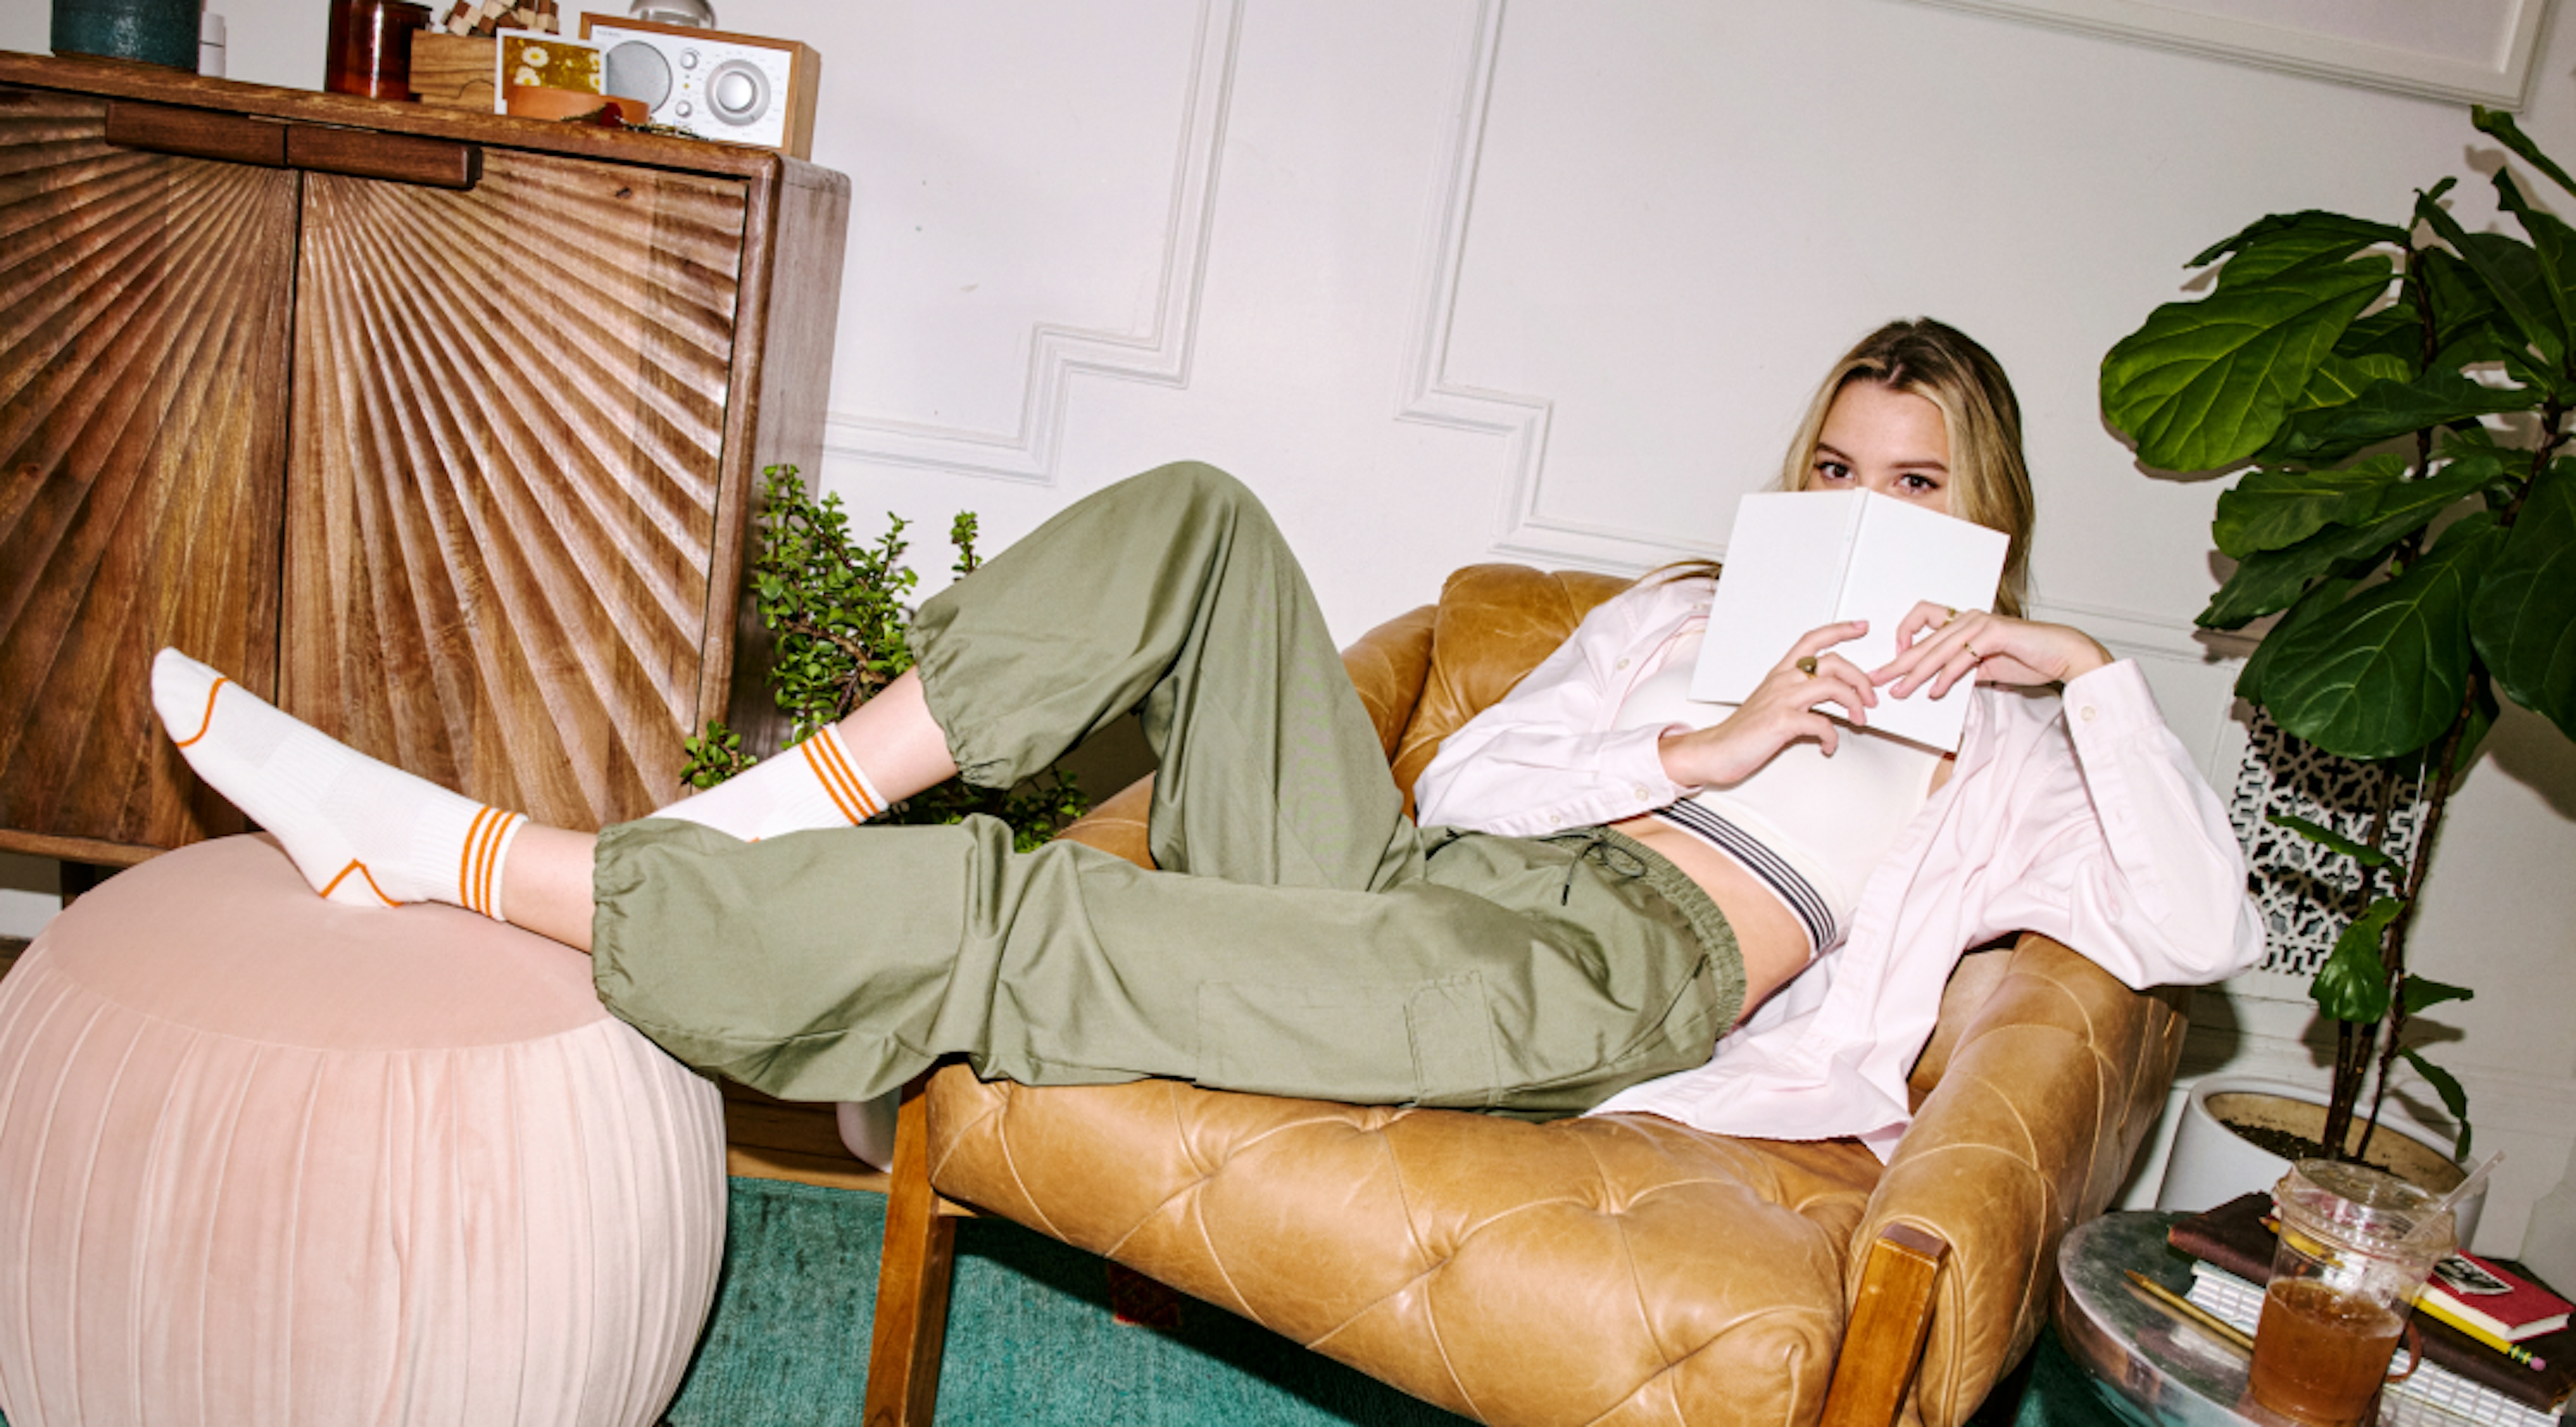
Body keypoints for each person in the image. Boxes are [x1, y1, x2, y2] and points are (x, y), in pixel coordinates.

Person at [147, 318, 2261, 1153]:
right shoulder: (1686, 620)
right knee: (1204, 526)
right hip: (1448, 878)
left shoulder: (2026, 761)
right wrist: (1703, 738)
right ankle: (782, 808)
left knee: (1047, 924)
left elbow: (2198, 932)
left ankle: (473, 858)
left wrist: (2083, 679)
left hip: (1605, 969)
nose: (1866, 508)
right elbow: (1459, 791)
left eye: (1914, 483)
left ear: (1979, 514)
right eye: (1837, 462)